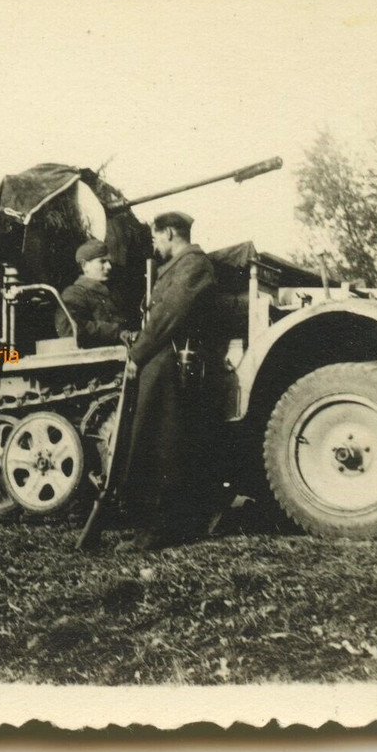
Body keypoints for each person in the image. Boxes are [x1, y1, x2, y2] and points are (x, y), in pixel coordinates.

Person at [118, 212, 220, 550]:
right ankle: (162, 526)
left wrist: (137, 353)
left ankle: (153, 531)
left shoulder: (193, 265)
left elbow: (168, 314)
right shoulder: (181, 267)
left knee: (156, 442)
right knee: (163, 442)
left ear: (171, 233)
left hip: (169, 363)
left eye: (156, 238)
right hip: (164, 360)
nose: (155, 245)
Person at [55, 239, 138, 347]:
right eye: (102, 261)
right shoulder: (74, 294)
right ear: (84, 265)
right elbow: (68, 328)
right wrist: (116, 332)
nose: (109, 267)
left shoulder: (112, 292)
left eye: (109, 262)